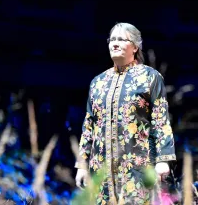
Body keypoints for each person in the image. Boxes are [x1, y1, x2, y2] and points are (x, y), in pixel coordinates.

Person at [75, 22, 176, 204]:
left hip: (139, 166)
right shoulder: (98, 82)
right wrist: (82, 164)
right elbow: (88, 125)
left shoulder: (150, 77)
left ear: (135, 46)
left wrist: (163, 160)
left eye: (121, 39)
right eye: (112, 39)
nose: (115, 43)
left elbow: (161, 120)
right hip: (101, 168)